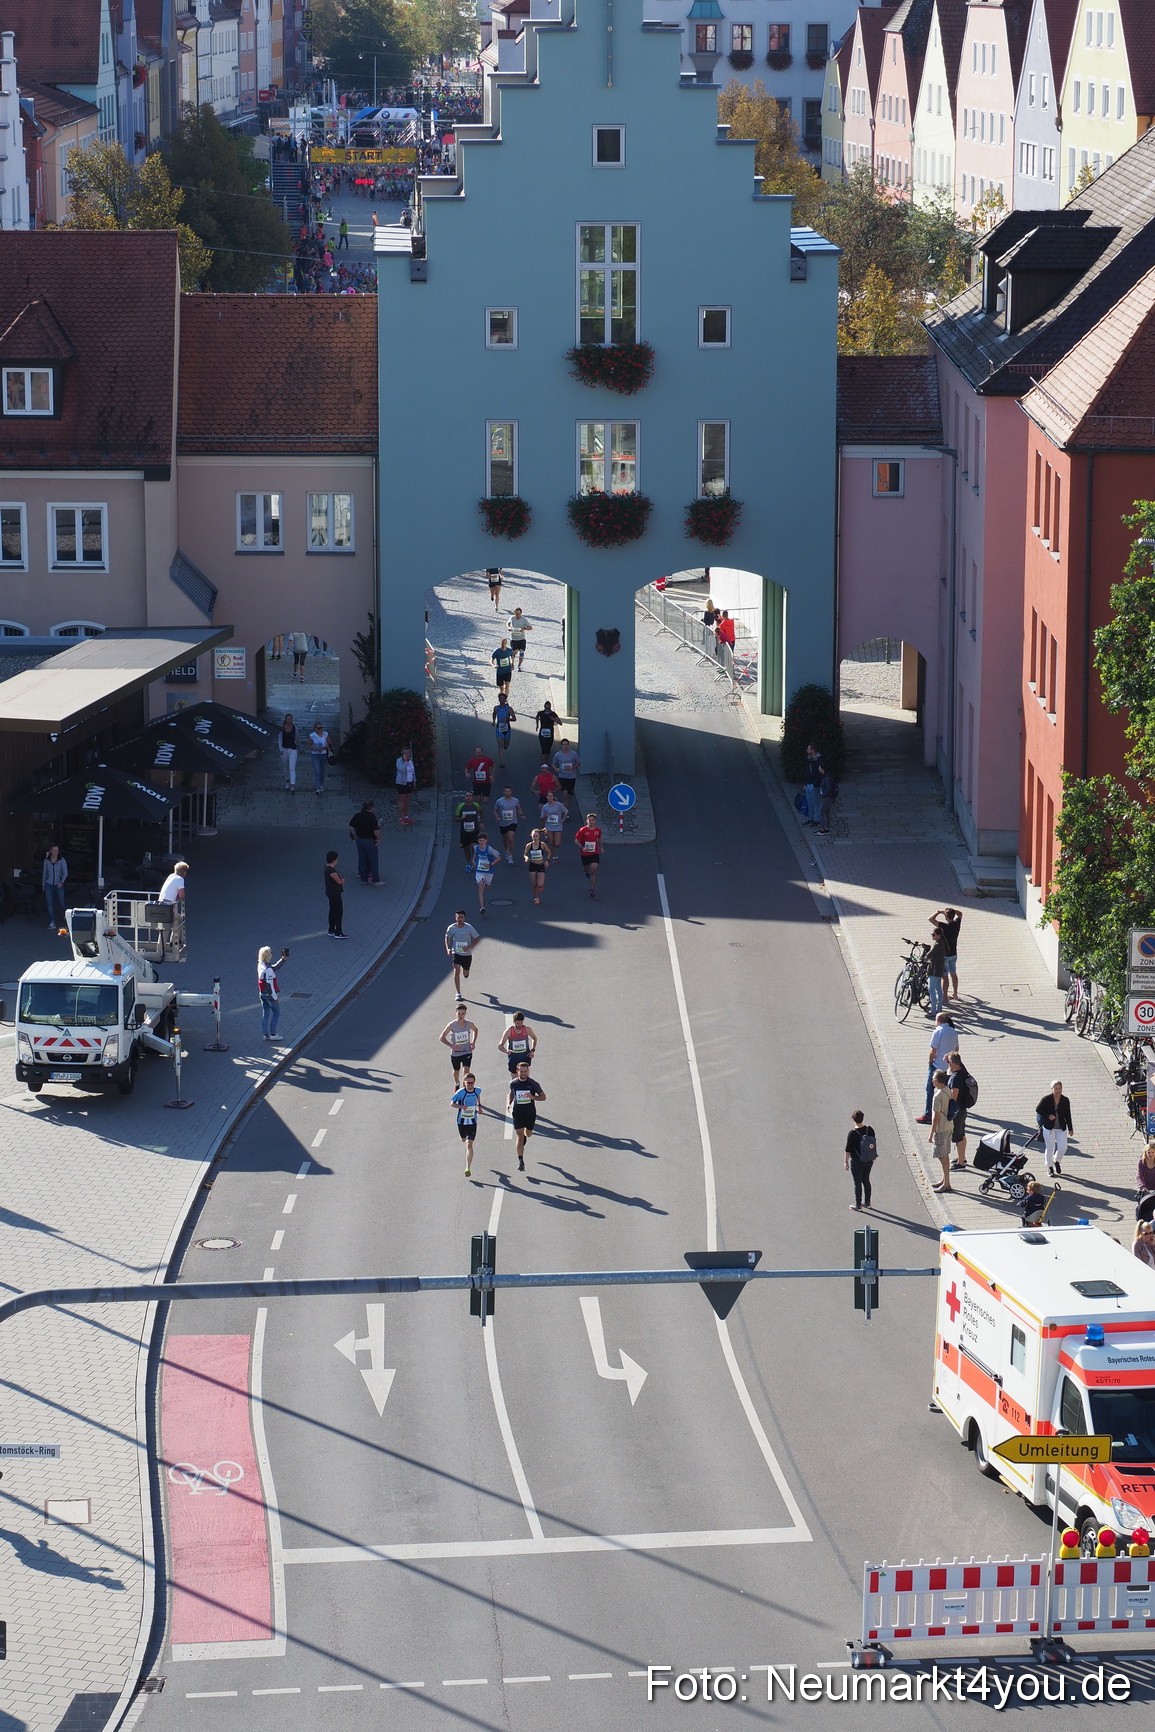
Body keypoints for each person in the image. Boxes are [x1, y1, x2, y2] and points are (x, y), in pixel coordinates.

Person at [917, 1012, 960, 1122]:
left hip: (937, 1066)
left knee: (929, 1089)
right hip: (948, 1068)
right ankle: (946, 1112)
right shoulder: (953, 1032)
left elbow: (933, 1050)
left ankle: (928, 1114)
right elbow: (956, 1049)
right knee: (946, 1091)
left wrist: (930, 1062)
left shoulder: (938, 1032)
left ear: (938, 1021)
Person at [508, 1061, 546, 1171]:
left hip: (530, 1113)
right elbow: (511, 1093)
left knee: (528, 1134)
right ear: (517, 1071)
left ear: (528, 1071)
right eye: (521, 1071)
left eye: (525, 1071)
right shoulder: (513, 1083)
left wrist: (532, 1097)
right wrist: (508, 1103)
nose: (523, 1073)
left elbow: (543, 1097)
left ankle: (527, 1133)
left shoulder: (533, 1084)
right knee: (519, 1136)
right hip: (518, 1113)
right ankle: (521, 1161)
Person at [1035, 1079, 1074, 1177]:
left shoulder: (1065, 1100)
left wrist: (1070, 1128)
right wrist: (1048, 1116)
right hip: (1049, 1128)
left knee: (1063, 1147)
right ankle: (1050, 1167)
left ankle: (1056, 1160)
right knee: (1050, 1148)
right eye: (1056, 1088)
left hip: (1061, 1127)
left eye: (1060, 1088)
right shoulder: (1046, 1099)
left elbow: (1068, 1114)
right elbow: (1038, 1109)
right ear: (1051, 1089)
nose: (1058, 1091)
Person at [451, 1071, 484, 1178]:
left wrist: (479, 1107)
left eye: (472, 1083)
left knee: (469, 1144)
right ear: (464, 1083)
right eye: (468, 1083)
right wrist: (461, 1107)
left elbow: (477, 1097)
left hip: (472, 1121)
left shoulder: (477, 1090)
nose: (470, 1085)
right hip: (461, 1121)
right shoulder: (460, 1092)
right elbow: (452, 1103)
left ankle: (467, 1168)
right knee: (463, 1139)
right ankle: (464, 1138)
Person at [844, 1110, 877, 1211]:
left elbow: (848, 1149)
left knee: (857, 1182)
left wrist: (845, 1162)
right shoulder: (869, 1129)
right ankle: (867, 1202)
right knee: (866, 1180)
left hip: (857, 1161)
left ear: (853, 1120)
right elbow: (873, 1143)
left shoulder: (852, 1133)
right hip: (869, 1159)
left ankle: (858, 1204)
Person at [947, 1050, 973, 1170]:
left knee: (958, 1136)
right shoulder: (962, 1070)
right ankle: (961, 1157)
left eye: (948, 1062)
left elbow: (954, 1096)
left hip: (957, 1111)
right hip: (963, 1108)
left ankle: (961, 1163)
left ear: (952, 1063)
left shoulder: (956, 1078)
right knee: (962, 1134)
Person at [928, 1069, 953, 1191]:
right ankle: (945, 1180)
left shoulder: (937, 1096)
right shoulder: (947, 1090)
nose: (932, 1081)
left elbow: (936, 1116)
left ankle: (947, 1183)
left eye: (933, 1080)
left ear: (937, 1081)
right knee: (945, 1154)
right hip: (949, 1126)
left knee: (941, 1156)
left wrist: (931, 1132)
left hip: (941, 1129)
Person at [445, 909, 481, 994]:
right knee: (456, 970)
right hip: (456, 953)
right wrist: (448, 949)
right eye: (458, 917)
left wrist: (469, 947)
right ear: (455, 918)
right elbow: (447, 937)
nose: (460, 919)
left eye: (462, 917)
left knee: (465, 973)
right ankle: (458, 993)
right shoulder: (451, 928)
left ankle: (466, 973)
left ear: (464, 918)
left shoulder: (469, 927)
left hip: (467, 954)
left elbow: (477, 938)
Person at [258, 944, 289, 1040]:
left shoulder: (260, 965)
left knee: (265, 1013)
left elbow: (274, 967)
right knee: (276, 1013)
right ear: (268, 956)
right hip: (270, 995)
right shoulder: (269, 971)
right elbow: (270, 986)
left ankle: (265, 1034)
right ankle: (273, 1034)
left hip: (262, 993)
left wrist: (283, 959)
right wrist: (275, 998)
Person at [440, 1002, 478, 1079]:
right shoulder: (452, 1025)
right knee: (456, 1070)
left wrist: (473, 1043)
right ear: (456, 1013)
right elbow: (441, 1037)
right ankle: (457, 1083)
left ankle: (464, 1089)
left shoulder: (469, 1024)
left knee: (466, 1072)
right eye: (459, 1014)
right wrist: (451, 1046)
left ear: (465, 1013)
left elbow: (476, 1030)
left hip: (467, 1051)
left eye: (462, 1014)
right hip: (455, 1053)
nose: (460, 1016)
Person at [932, 907, 963, 1000]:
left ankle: (944, 997)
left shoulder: (943, 927)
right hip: (954, 954)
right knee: (953, 974)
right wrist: (952, 911)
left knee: (944, 977)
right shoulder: (956, 924)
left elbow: (931, 919)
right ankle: (955, 994)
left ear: (946, 917)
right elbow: (960, 913)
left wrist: (938, 912)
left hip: (945, 955)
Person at [349, 801, 382, 886]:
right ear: (371, 808)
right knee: (373, 859)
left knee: (362, 858)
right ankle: (376, 880)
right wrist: (378, 838)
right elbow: (376, 830)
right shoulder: (372, 817)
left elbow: (351, 826)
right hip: (369, 841)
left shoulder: (358, 815)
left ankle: (364, 879)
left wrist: (355, 836)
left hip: (359, 840)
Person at [471, 832, 501, 914]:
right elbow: (475, 856)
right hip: (479, 870)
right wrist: (473, 861)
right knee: (481, 887)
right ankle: (482, 907)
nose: (481, 842)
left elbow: (498, 858)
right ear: (478, 841)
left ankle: (486, 884)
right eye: (480, 841)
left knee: (487, 887)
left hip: (488, 871)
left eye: (483, 841)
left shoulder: (489, 849)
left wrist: (490, 864)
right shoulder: (476, 848)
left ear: (486, 841)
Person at [575, 812, 602, 899]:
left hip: (594, 852)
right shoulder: (582, 830)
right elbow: (576, 840)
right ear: (587, 821)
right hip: (585, 853)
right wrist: (582, 847)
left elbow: (599, 838)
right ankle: (586, 871)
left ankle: (592, 890)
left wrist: (601, 847)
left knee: (594, 870)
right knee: (587, 868)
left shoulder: (598, 830)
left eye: (592, 820)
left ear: (595, 821)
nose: (591, 821)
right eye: (589, 820)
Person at [493, 786, 523, 863]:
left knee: (511, 838)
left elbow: (518, 808)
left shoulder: (515, 800)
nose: (508, 793)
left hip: (513, 822)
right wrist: (497, 816)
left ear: (511, 792)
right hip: (503, 823)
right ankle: (506, 850)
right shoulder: (499, 801)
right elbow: (495, 810)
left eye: (509, 791)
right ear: (504, 792)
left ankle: (510, 855)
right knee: (505, 839)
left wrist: (521, 814)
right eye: (506, 791)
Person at [42, 844, 68, 930]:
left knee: (61, 902)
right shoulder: (47, 860)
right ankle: (52, 921)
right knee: (50, 903)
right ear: (50, 851)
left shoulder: (61, 860)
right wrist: (43, 884)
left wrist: (61, 881)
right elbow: (44, 873)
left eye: (57, 850)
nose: (56, 852)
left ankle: (66, 918)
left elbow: (65, 873)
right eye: (54, 850)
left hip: (59, 884)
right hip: (49, 884)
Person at [455, 792, 484, 866]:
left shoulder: (476, 805)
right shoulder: (460, 806)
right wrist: (461, 818)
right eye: (467, 796)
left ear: (472, 797)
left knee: (474, 846)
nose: (468, 797)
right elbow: (455, 818)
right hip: (464, 832)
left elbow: (481, 812)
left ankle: (474, 860)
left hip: (474, 830)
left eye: (470, 796)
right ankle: (468, 863)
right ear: (464, 797)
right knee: (466, 848)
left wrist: (481, 822)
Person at [925, 923, 947, 1017]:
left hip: (934, 970)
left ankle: (933, 1010)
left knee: (931, 990)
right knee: (938, 989)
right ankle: (939, 1009)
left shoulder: (937, 945)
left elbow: (929, 954)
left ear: (938, 935)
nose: (932, 936)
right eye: (931, 934)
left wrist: (925, 957)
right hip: (940, 970)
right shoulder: (942, 942)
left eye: (933, 935)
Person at [323, 850, 346, 937]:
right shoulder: (331, 870)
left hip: (330, 893)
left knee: (332, 911)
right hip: (335, 893)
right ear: (334, 859)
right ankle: (338, 932)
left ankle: (331, 929)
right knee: (338, 912)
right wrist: (342, 880)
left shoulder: (327, 868)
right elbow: (339, 881)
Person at [540, 792, 568, 860]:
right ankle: (555, 856)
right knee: (551, 842)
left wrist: (563, 819)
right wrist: (545, 816)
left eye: (551, 796)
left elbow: (566, 811)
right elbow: (541, 817)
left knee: (557, 844)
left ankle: (556, 846)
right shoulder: (545, 806)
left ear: (554, 797)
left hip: (558, 826)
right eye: (548, 796)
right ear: (546, 797)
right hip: (549, 826)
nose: (550, 797)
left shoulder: (558, 804)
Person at [803, 743, 825, 827]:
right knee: (809, 803)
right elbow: (806, 772)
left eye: (808, 749)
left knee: (816, 803)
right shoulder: (809, 759)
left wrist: (816, 784)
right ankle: (810, 818)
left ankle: (817, 819)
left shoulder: (819, 760)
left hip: (814, 785)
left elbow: (821, 773)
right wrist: (805, 783)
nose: (807, 750)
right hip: (808, 784)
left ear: (813, 750)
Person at [525, 829, 548, 904]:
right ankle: (536, 898)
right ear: (531, 836)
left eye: (537, 836)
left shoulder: (542, 844)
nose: (535, 837)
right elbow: (525, 853)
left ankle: (540, 886)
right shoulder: (529, 845)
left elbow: (549, 852)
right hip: (532, 865)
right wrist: (526, 857)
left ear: (539, 836)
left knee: (540, 884)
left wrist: (547, 860)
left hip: (540, 865)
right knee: (534, 884)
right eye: (534, 836)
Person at [492, 696, 516, 766]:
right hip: (499, 728)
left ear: (505, 700)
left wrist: (508, 719)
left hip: (507, 729)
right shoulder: (496, 708)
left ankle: (505, 745)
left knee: (506, 745)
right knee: (500, 745)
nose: (502, 700)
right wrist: (493, 721)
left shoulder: (509, 709)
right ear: (498, 699)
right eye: (500, 699)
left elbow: (514, 718)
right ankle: (502, 762)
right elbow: (494, 714)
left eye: (503, 699)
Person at [395, 746, 416, 824]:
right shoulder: (399, 761)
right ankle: (401, 817)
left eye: (408, 753)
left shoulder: (411, 761)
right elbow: (403, 770)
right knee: (402, 801)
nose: (407, 755)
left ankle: (407, 816)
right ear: (402, 753)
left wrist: (414, 781)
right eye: (405, 753)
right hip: (401, 783)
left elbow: (413, 771)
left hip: (409, 782)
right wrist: (406, 762)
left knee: (407, 800)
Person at [309, 723, 331, 795]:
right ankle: (317, 788)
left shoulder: (325, 734)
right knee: (317, 772)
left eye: (321, 727)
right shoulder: (312, 736)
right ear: (315, 728)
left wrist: (325, 747)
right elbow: (309, 746)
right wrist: (317, 749)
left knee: (322, 772)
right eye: (318, 728)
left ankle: (321, 784)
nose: (320, 729)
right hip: (315, 755)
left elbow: (330, 743)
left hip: (323, 755)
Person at [816, 769, 838, 838]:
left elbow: (828, 790)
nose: (818, 768)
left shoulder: (826, 778)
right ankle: (827, 828)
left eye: (820, 767)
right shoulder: (826, 777)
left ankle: (822, 829)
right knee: (827, 812)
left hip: (827, 798)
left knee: (821, 813)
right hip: (829, 798)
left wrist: (823, 796)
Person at [279, 713, 299, 792]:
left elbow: (297, 738)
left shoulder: (294, 728)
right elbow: (280, 739)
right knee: (285, 767)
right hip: (284, 749)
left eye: (291, 719)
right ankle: (287, 780)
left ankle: (292, 785)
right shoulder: (282, 729)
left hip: (293, 749)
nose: (289, 720)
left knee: (292, 767)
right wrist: (280, 749)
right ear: (285, 719)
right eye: (288, 719)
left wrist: (300, 747)